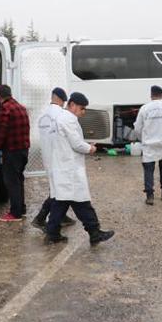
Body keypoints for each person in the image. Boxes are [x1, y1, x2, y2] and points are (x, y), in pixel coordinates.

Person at [44, 92, 114, 245]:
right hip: (69, 169)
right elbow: (76, 144)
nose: (83, 112)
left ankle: (52, 233)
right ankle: (94, 232)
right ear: (72, 105)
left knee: (61, 202)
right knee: (80, 202)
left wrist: (85, 145)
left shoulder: (59, 118)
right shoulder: (68, 119)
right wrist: (90, 148)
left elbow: (69, 141)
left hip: (63, 166)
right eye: (82, 108)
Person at [31, 87, 76, 229]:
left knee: (56, 188)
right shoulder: (62, 115)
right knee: (60, 190)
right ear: (60, 99)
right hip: (59, 159)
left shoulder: (43, 115)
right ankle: (40, 218)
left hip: (47, 157)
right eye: (64, 101)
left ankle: (61, 216)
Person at [0, 84, 30, 222]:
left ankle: (15, 213)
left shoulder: (5, 109)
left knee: (11, 182)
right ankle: (21, 208)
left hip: (12, 150)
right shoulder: (21, 107)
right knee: (19, 179)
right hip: (23, 150)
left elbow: (2, 130)